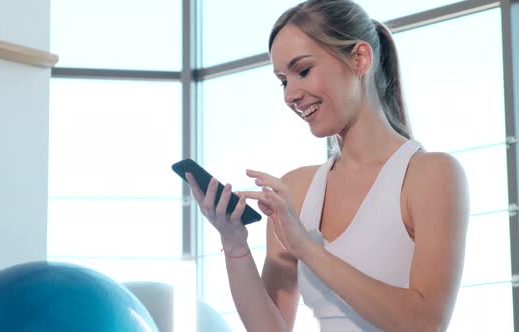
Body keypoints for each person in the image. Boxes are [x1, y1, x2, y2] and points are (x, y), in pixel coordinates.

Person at [185, 0, 469, 331]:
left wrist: (306, 247)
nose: (290, 94)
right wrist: (235, 246)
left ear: (360, 59)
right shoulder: (297, 190)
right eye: (283, 80)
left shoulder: (431, 175)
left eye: (302, 70)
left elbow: (425, 323)